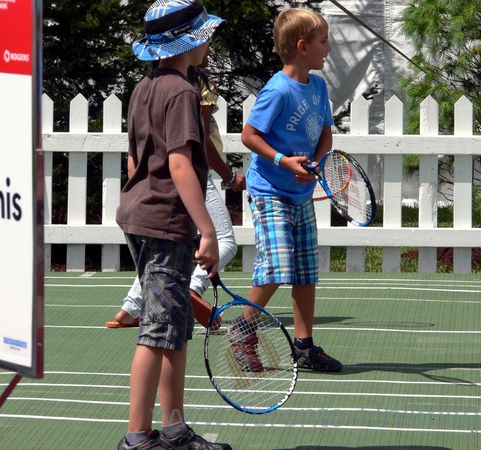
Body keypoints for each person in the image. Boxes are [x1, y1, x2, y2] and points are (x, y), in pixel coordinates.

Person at [115, 0, 232, 448]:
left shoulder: (144, 86)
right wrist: (206, 230)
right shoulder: (182, 93)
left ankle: (174, 429)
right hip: (165, 221)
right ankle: (138, 437)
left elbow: (134, 157)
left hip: (142, 215)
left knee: (174, 328)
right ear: (192, 40)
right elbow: (181, 165)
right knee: (157, 332)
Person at [231, 7, 343, 373]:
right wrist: (284, 161)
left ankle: (304, 347)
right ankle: (243, 331)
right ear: (302, 46)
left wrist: (317, 163)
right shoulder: (277, 90)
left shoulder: (319, 86)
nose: (328, 48)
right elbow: (249, 135)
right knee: (278, 268)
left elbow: (324, 133)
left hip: (299, 194)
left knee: (305, 271)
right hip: (269, 192)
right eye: (323, 41)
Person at [107, 47, 245, 330]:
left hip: (142, 198)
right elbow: (195, 147)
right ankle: (192, 289)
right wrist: (229, 176)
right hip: (180, 188)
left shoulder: (144, 86)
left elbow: (134, 156)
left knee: (156, 264)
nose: (209, 46)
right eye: (204, 38)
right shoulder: (189, 89)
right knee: (223, 242)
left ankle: (132, 307)